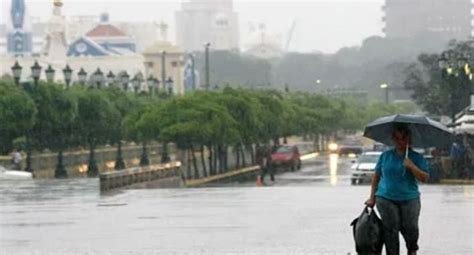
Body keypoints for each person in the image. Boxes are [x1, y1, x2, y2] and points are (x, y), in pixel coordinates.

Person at [365, 124, 429, 255]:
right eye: (397, 139)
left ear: (409, 140)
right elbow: (376, 177)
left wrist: (412, 166)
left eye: (403, 139)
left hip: (410, 198)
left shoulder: (417, 157)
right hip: (385, 197)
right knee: (390, 229)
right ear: (393, 139)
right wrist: (372, 197)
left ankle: (412, 249)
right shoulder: (385, 156)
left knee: (410, 228)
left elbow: (425, 178)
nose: (400, 142)